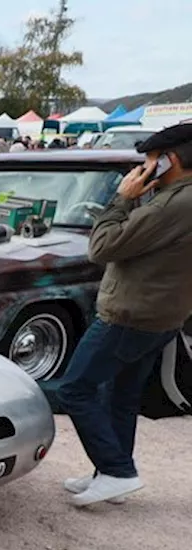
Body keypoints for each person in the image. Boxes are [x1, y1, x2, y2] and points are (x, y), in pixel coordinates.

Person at [57, 123, 192, 507]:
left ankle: (116, 470)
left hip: (131, 312)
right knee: (121, 396)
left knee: (75, 388)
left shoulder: (174, 205)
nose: (145, 167)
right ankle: (113, 471)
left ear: (171, 160)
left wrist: (121, 199)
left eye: (151, 160)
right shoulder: (176, 200)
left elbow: (101, 247)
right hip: (162, 313)